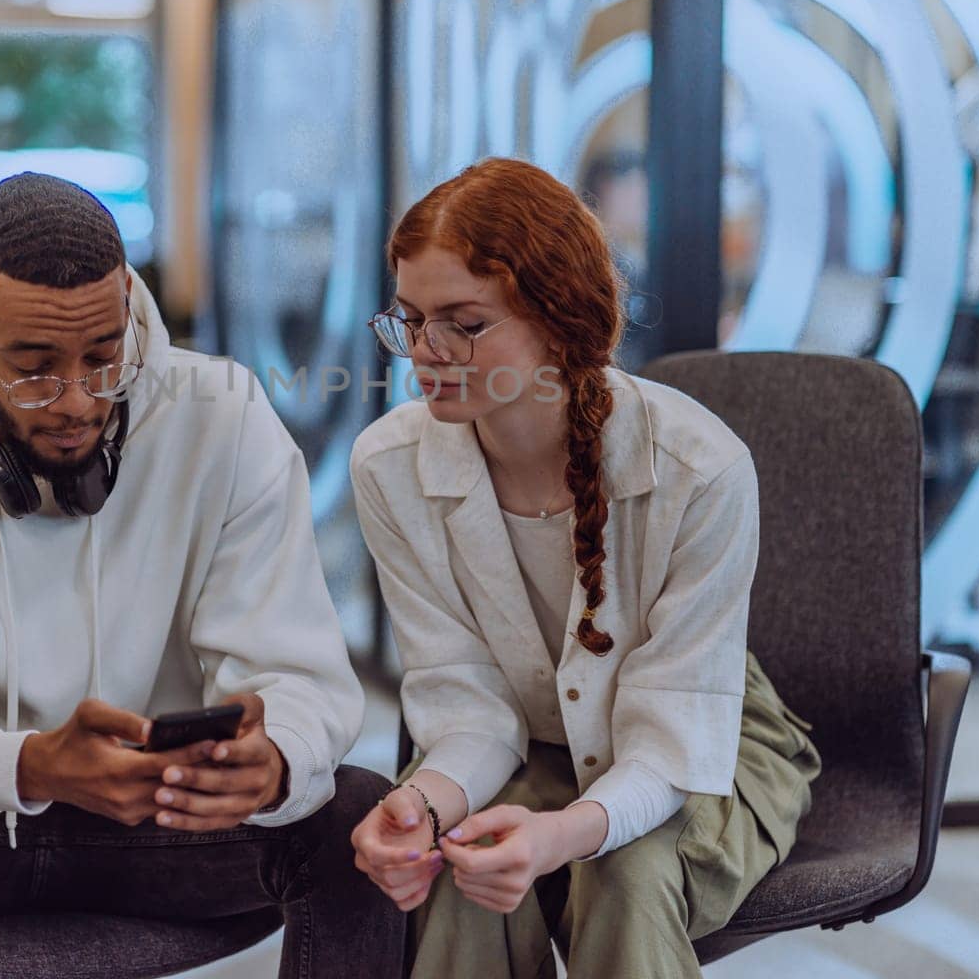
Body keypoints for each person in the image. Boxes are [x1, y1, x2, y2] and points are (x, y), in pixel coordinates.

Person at [0, 172, 401, 978]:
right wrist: (24, 764)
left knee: (356, 814)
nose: (76, 401)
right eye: (33, 367)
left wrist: (276, 757)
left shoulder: (221, 418)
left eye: (104, 359)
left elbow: (301, 675)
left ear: (129, 306)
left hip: (150, 817)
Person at [346, 158, 820, 978]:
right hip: (528, 744)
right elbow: (468, 710)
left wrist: (565, 833)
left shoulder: (699, 467)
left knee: (625, 873)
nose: (425, 351)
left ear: (559, 319)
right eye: (410, 319)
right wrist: (422, 804)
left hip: (703, 743)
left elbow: (672, 742)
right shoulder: (388, 466)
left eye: (463, 322)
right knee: (456, 868)